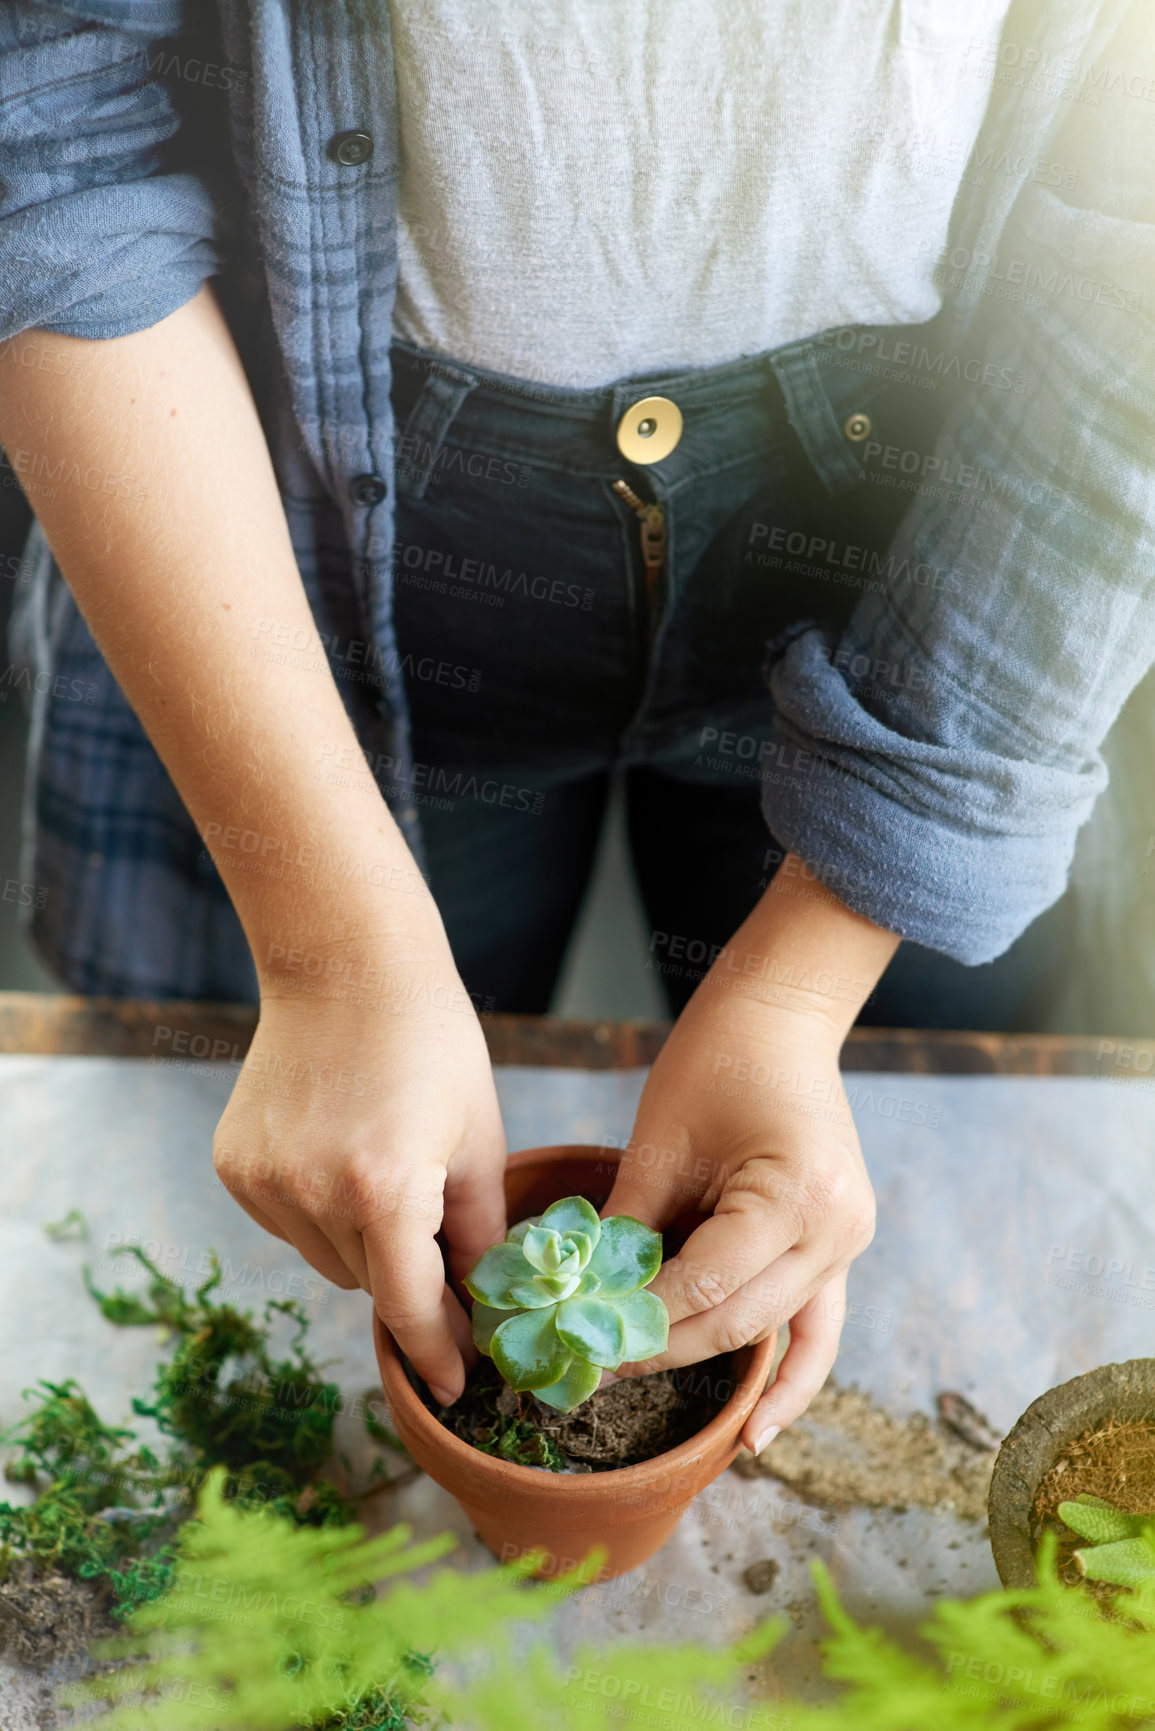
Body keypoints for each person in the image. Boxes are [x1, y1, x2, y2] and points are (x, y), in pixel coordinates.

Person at [0, 0, 1150, 1456]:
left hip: (932, 571)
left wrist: (801, 990)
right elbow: (48, 125)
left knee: (898, 1151)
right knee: (352, 1168)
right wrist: (330, 954)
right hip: (304, 559)